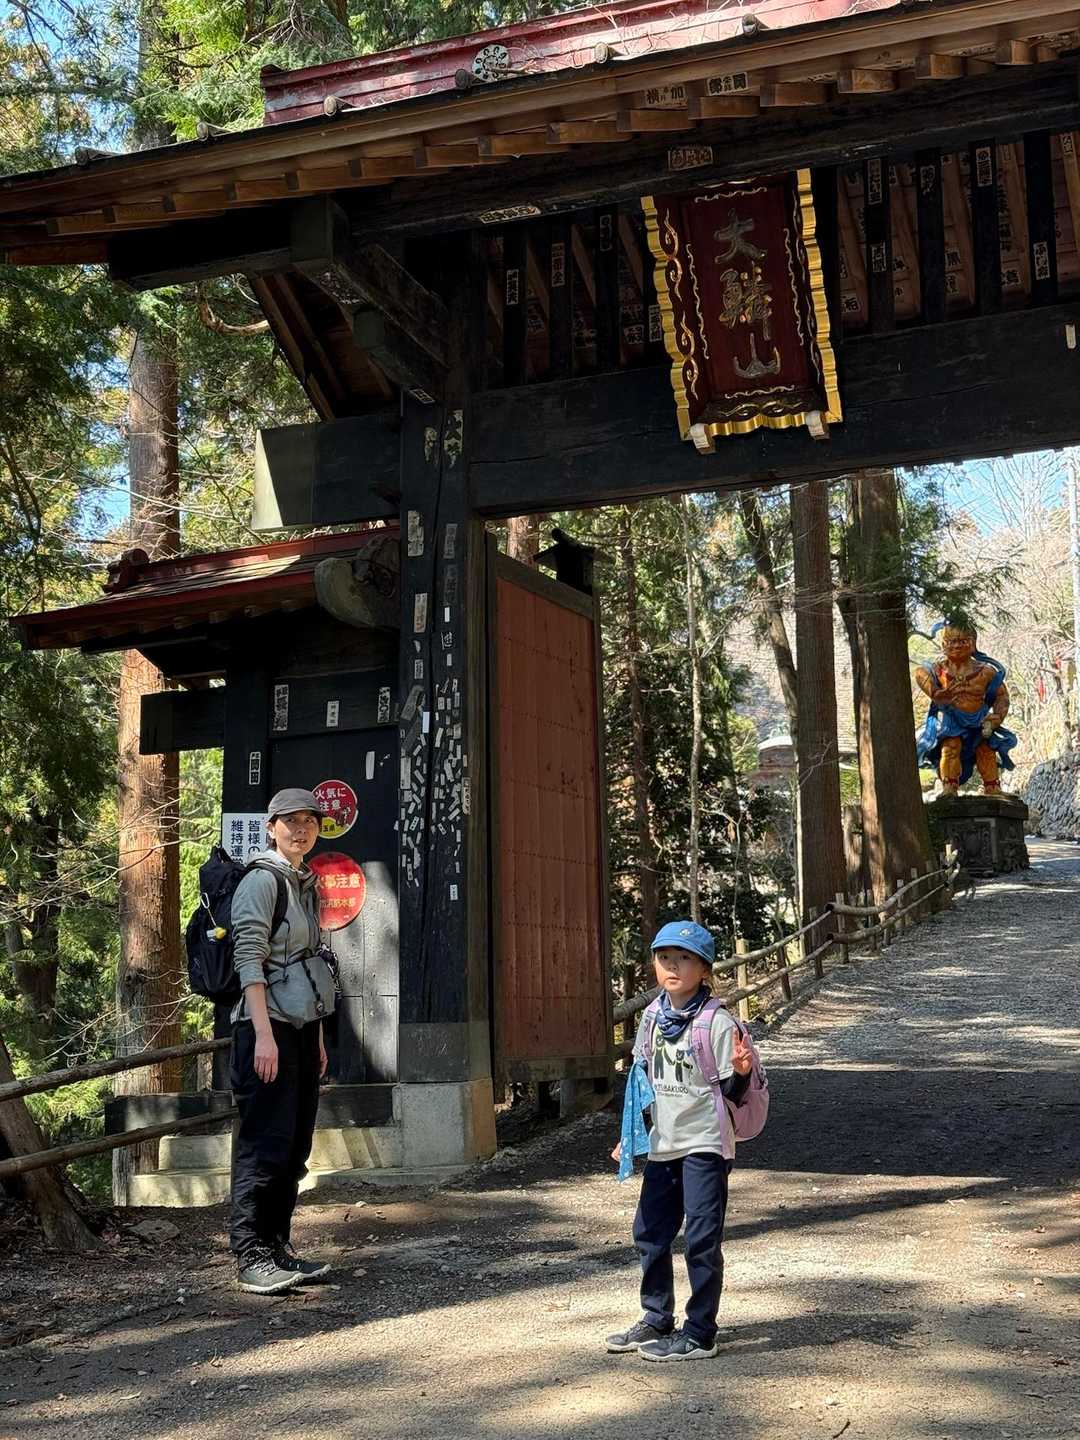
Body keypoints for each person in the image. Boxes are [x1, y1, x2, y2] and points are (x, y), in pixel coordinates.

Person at [607, 920, 753, 1361]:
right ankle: (656, 1318)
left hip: (705, 1143)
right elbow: (642, 1083)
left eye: (684, 959)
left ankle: (701, 1332)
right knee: (650, 1232)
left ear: (704, 969)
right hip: (662, 1143)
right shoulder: (652, 1017)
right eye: (664, 958)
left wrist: (741, 1073)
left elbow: (732, 1094)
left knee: (702, 1239)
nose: (672, 966)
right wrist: (630, 1135)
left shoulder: (717, 1023)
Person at [229, 788, 339, 1295]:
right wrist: (263, 1037)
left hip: (300, 1030)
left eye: (309, 821)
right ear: (270, 827)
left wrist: (316, 1038)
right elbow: (248, 960)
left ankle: (277, 1248)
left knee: (294, 1145)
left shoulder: (304, 883)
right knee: (264, 1144)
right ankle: (250, 1254)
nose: (301, 829)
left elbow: (309, 963)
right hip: (265, 1029)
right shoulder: (262, 880)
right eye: (290, 821)